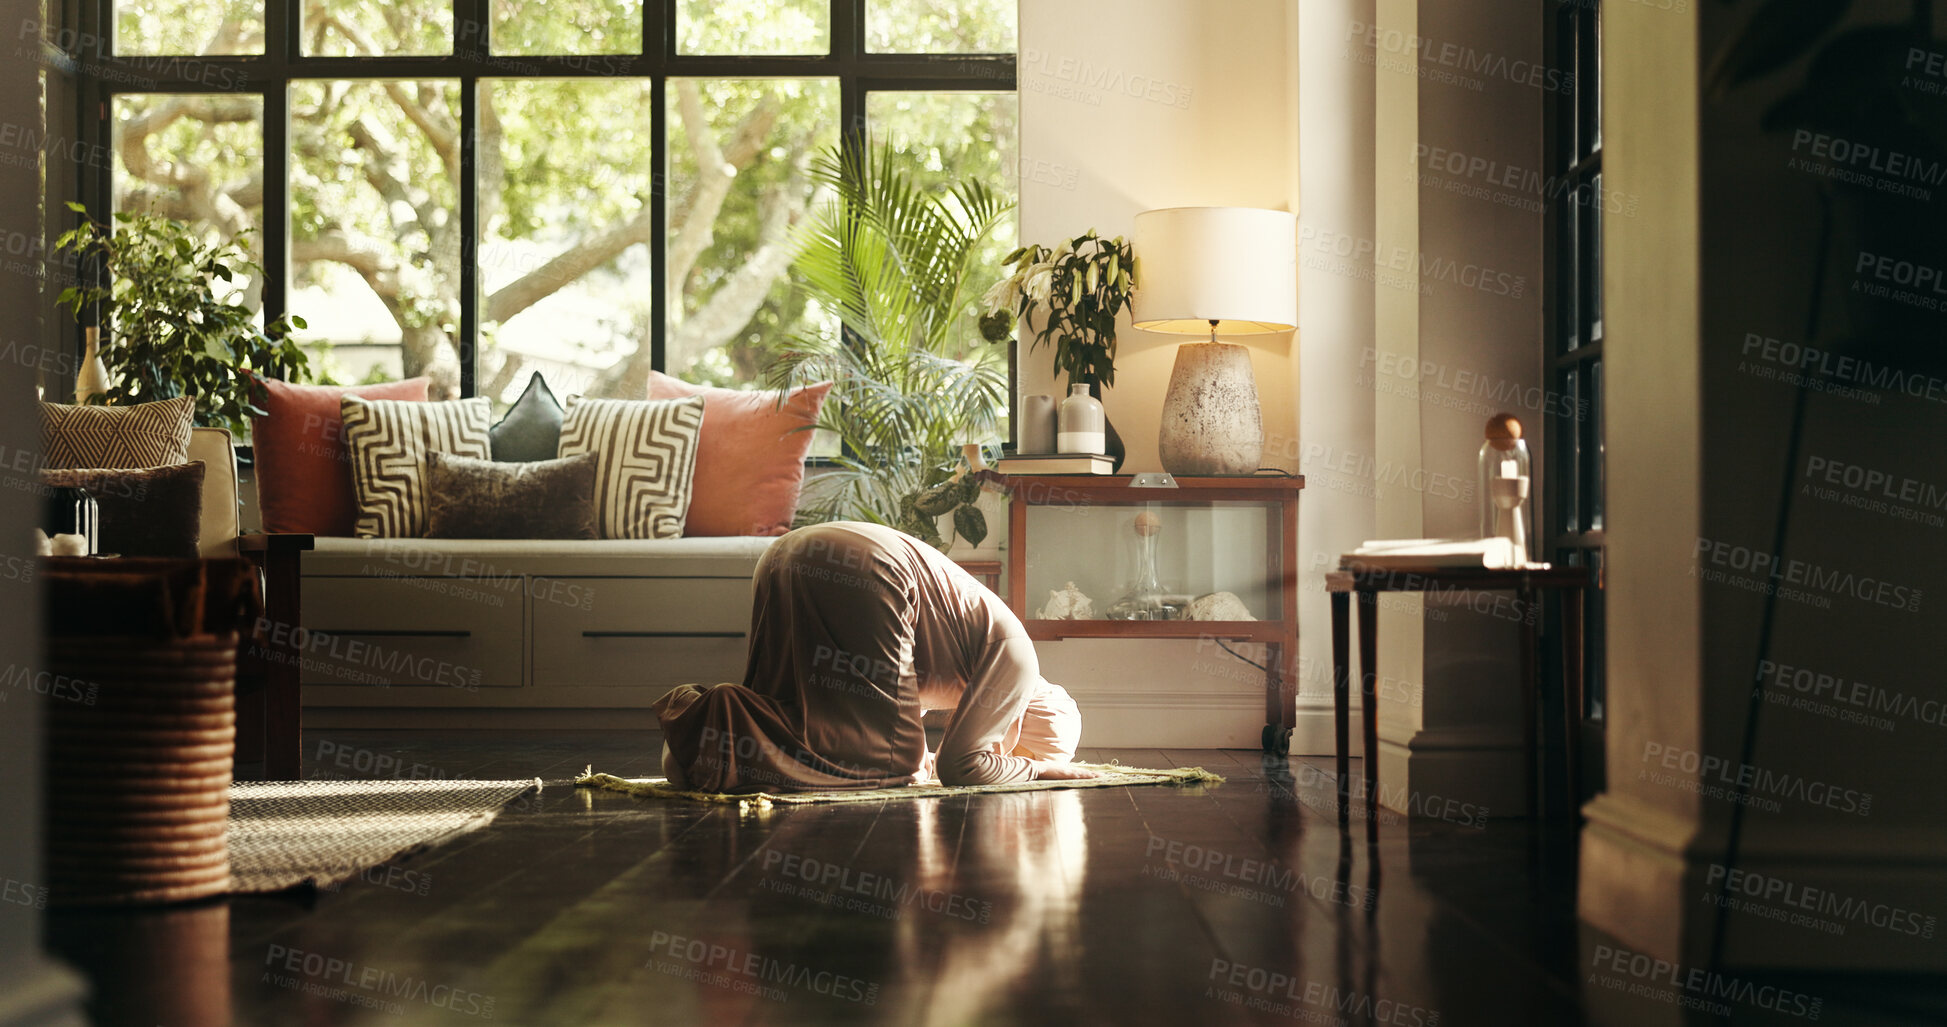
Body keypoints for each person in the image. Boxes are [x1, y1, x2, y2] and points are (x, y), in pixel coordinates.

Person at [653, 521, 1096, 793]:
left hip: (788, 552)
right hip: (867, 570)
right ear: (1018, 720)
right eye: (1011, 755)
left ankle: (698, 742)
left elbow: (900, 707)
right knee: (894, 764)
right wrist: (1039, 772)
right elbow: (962, 767)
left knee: (812, 721)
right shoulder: (1019, 661)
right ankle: (712, 714)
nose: (1002, 756)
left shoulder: (969, 659)